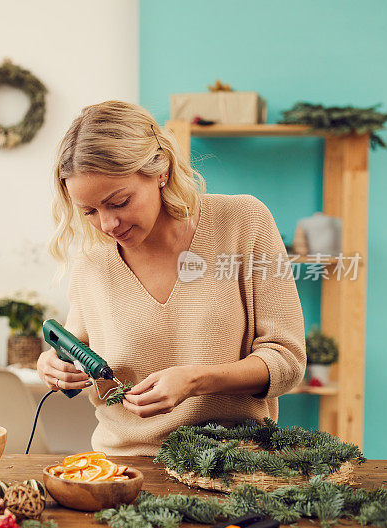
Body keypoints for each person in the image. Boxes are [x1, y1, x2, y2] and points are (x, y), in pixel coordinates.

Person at [36, 101, 306, 455]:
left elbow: (287, 362)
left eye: (119, 202)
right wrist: (54, 366)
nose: (107, 225)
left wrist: (195, 381)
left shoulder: (243, 222)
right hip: (122, 468)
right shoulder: (93, 258)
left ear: (160, 169)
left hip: (234, 465)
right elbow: (83, 361)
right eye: (89, 211)